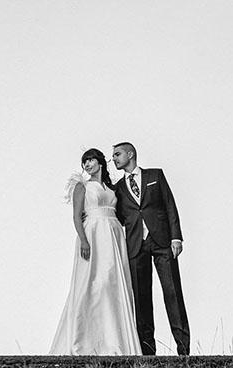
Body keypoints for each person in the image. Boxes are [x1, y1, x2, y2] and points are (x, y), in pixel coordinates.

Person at [49, 148, 141, 355]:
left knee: (112, 283)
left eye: (90, 160)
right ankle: (82, 340)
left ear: (100, 161)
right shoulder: (82, 186)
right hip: (93, 233)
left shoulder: (112, 188)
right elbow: (76, 216)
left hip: (113, 235)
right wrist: (84, 240)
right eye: (85, 162)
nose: (87, 165)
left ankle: (114, 341)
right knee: (90, 284)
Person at [110, 141, 190, 355]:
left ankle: (183, 350)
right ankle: (147, 352)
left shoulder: (156, 175)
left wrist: (176, 237)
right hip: (136, 246)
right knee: (141, 298)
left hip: (163, 242)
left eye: (117, 154)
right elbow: (118, 218)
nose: (114, 159)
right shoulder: (118, 188)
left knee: (173, 293)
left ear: (130, 154)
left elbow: (170, 205)